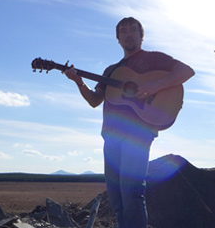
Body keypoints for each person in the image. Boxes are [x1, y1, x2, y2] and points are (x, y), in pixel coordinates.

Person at [64, 17, 194, 228]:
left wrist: (155, 86)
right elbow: (94, 101)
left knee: (131, 192)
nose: (128, 34)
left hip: (138, 133)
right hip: (111, 136)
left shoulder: (154, 59)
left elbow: (186, 71)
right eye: (123, 31)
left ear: (141, 36)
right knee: (117, 199)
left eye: (133, 29)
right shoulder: (111, 71)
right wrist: (79, 82)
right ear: (118, 39)